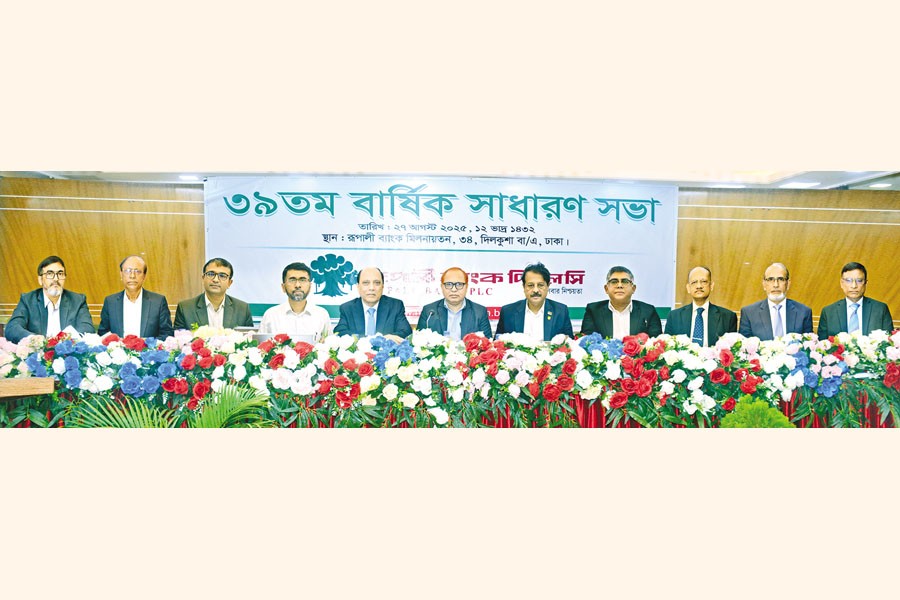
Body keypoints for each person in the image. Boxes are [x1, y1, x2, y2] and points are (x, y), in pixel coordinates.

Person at [5, 255, 95, 343]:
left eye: (60, 274)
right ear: (40, 279)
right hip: (37, 351)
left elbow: (88, 329)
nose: (56, 279)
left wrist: (62, 341)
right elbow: (12, 328)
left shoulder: (78, 301)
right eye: (50, 274)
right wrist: (35, 340)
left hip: (68, 350)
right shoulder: (28, 300)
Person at [98, 255, 173, 339]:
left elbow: (167, 334)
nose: (132, 276)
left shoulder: (158, 302)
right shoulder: (110, 302)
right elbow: (103, 333)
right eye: (128, 271)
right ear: (121, 274)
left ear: (144, 276)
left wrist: (148, 344)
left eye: (137, 271)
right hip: (119, 347)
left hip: (148, 347)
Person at [495, 263, 573, 341]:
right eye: (530, 285)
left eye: (540, 285)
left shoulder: (560, 311)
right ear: (524, 287)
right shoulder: (508, 312)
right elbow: (497, 343)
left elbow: (570, 344)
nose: (535, 290)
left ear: (548, 286)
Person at [258, 262, 333, 342]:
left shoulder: (322, 315)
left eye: (302, 280)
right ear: (283, 287)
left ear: (310, 286)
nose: (297, 285)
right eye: (292, 280)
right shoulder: (271, 315)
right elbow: (260, 347)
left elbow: (330, 346)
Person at [580, 266, 662, 339]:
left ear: (633, 288)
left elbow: (656, 343)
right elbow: (586, 342)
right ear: (606, 289)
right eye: (614, 281)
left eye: (625, 281)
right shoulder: (594, 311)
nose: (619, 285)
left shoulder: (648, 311)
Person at [333, 267, 412, 341]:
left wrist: (384, 342)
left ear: (382, 286)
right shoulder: (347, 308)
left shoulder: (395, 306)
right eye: (366, 283)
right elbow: (340, 331)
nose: (371, 288)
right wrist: (371, 341)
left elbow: (405, 331)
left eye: (377, 283)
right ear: (358, 287)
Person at [173, 258, 254, 331]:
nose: (215, 280)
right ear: (203, 278)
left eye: (222, 276)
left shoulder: (242, 309)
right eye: (211, 274)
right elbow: (179, 340)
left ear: (229, 283)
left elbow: (249, 339)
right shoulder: (186, 308)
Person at [664, 266, 737, 346]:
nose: (699, 286)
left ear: (711, 286)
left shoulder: (728, 317)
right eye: (694, 282)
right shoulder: (674, 316)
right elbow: (667, 347)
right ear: (688, 288)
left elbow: (732, 350)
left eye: (704, 281)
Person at [817, 262, 894, 338]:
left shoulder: (880, 309)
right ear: (841, 283)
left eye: (859, 281)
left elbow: (888, 342)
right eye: (848, 280)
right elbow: (823, 343)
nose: (854, 286)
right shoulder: (828, 312)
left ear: (865, 283)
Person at [738, 262, 813, 340]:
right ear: (764, 284)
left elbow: (808, 344)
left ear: (788, 284)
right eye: (770, 279)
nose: (776, 285)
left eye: (781, 279)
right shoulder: (749, 313)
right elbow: (745, 346)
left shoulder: (804, 312)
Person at [416, 267, 492, 339]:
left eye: (459, 284)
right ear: (442, 287)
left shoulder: (480, 312)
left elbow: (487, 344)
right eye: (448, 284)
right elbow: (418, 341)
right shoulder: (429, 311)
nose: (454, 289)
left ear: (466, 287)